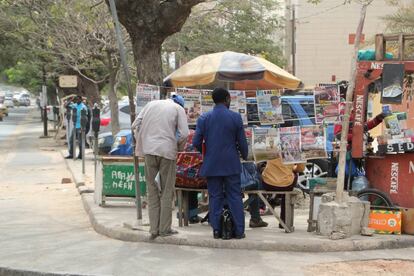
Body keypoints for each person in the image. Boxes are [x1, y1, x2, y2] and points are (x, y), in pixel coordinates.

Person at [193, 87, 248, 239]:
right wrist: (244, 155)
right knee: (235, 196)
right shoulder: (235, 117)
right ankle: (239, 231)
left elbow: (196, 141)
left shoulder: (204, 118)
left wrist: (207, 152)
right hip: (231, 164)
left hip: (212, 164)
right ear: (228, 99)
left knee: (215, 197)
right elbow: (242, 143)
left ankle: (216, 230)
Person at [132, 94, 189, 240]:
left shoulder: (150, 105)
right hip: (167, 152)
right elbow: (184, 134)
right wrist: (177, 147)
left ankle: (153, 229)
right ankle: (164, 229)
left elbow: (135, 125)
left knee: (152, 190)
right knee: (166, 191)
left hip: (149, 151)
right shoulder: (178, 108)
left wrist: (142, 141)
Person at [258, 158, 305, 227]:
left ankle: (259, 211)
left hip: (268, 184)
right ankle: (284, 221)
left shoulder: (271, 148)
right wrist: (293, 168)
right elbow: (300, 169)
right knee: (287, 192)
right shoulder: (293, 149)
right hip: (286, 185)